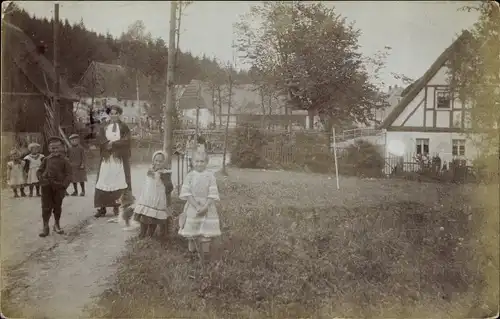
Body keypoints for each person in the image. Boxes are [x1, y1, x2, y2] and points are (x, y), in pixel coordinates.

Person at [178, 151, 221, 256]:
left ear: (206, 162)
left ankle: (205, 253)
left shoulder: (210, 176)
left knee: (206, 229)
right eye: (196, 161)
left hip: (207, 206)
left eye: (202, 161)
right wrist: (197, 206)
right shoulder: (190, 176)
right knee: (192, 229)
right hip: (193, 206)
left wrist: (205, 206)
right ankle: (191, 253)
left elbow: (212, 193)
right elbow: (187, 193)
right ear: (192, 162)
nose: (199, 164)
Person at [94, 105, 132, 218]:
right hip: (107, 157)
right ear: (109, 114)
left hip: (118, 158)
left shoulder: (124, 126)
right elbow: (100, 138)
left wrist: (114, 144)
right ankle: (102, 208)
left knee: (118, 180)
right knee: (104, 179)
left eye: (116, 113)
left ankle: (117, 206)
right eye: (111, 113)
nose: (113, 115)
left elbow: (127, 140)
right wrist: (106, 145)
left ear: (119, 114)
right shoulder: (104, 126)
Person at [133, 150, 174, 238]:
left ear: (164, 162)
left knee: (154, 217)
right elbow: (147, 182)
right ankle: (142, 234)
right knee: (144, 216)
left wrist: (166, 183)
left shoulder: (164, 173)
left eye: (161, 161)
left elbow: (169, 188)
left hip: (157, 199)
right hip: (147, 197)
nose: (158, 163)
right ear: (153, 160)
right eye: (156, 160)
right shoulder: (150, 169)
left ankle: (150, 234)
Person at [37, 136, 72, 237]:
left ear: (61, 148)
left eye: (57, 148)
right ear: (49, 149)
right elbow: (39, 171)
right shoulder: (46, 159)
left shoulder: (65, 160)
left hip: (59, 187)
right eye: (53, 148)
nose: (55, 150)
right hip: (46, 186)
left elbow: (69, 174)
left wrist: (64, 185)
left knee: (57, 206)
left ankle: (57, 224)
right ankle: (45, 226)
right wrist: (42, 180)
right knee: (46, 207)